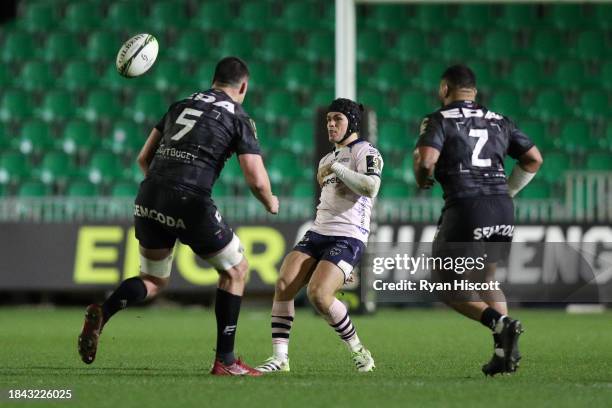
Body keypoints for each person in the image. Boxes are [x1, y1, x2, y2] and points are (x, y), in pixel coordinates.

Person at [78, 56, 278, 376]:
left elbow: (144, 157)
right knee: (236, 270)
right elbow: (255, 178)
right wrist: (270, 201)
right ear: (243, 86)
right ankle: (225, 361)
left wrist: (162, 190)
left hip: (150, 193)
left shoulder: (179, 105)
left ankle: (105, 310)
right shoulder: (238, 116)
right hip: (190, 199)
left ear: (214, 79)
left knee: (153, 279)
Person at [413, 64, 543, 376]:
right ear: (474, 91)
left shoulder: (438, 119)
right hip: (502, 208)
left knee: (446, 287)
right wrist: (507, 192)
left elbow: (427, 160)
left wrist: (422, 176)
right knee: (486, 280)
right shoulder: (500, 120)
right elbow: (534, 158)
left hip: (466, 207)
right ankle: (503, 353)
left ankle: (501, 324)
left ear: (445, 89)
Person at [255, 98, 383, 373]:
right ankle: (280, 358)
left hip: (348, 236)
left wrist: (338, 169)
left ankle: (359, 350)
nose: (331, 124)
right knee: (284, 283)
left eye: (337, 119)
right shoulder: (328, 158)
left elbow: (371, 188)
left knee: (319, 295)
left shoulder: (365, 151)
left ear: (352, 122)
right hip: (318, 232)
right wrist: (331, 167)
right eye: (328, 120)